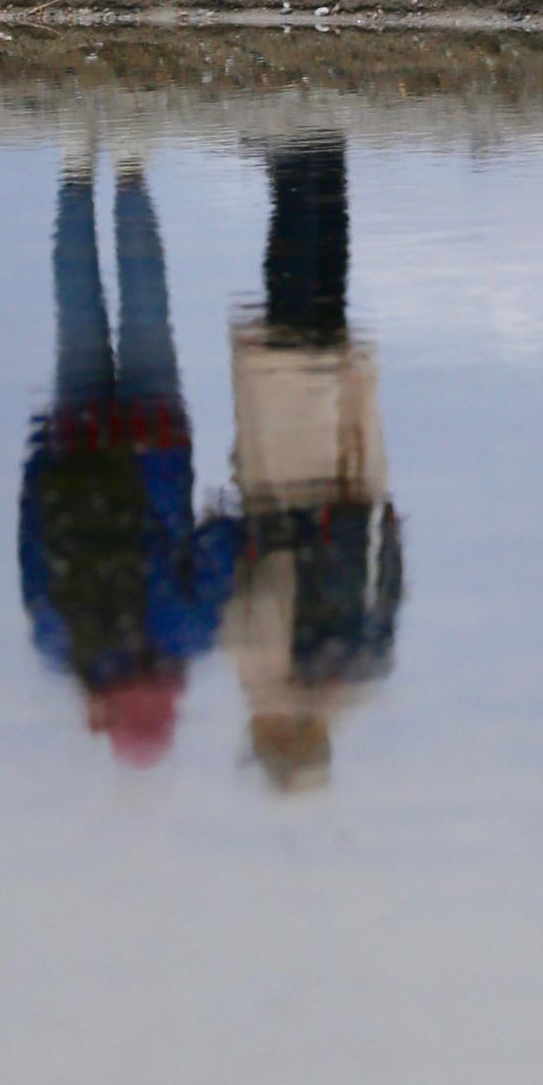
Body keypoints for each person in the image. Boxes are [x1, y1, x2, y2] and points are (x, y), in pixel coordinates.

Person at [18, 145, 235, 765]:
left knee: (146, 308)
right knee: (77, 309)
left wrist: (241, 528)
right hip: (77, 446)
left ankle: (133, 172)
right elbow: (36, 541)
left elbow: (219, 548)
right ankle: (73, 170)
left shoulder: (186, 636)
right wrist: (41, 460)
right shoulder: (58, 646)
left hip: (155, 440)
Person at [207, 136, 404, 792]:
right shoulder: (265, 671)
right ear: (275, 737)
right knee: (290, 285)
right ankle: (298, 153)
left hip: (345, 467)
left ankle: (321, 160)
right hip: (286, 466)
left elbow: (392, 571)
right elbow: (242, 590)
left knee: (322, 294)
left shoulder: (363, 670)